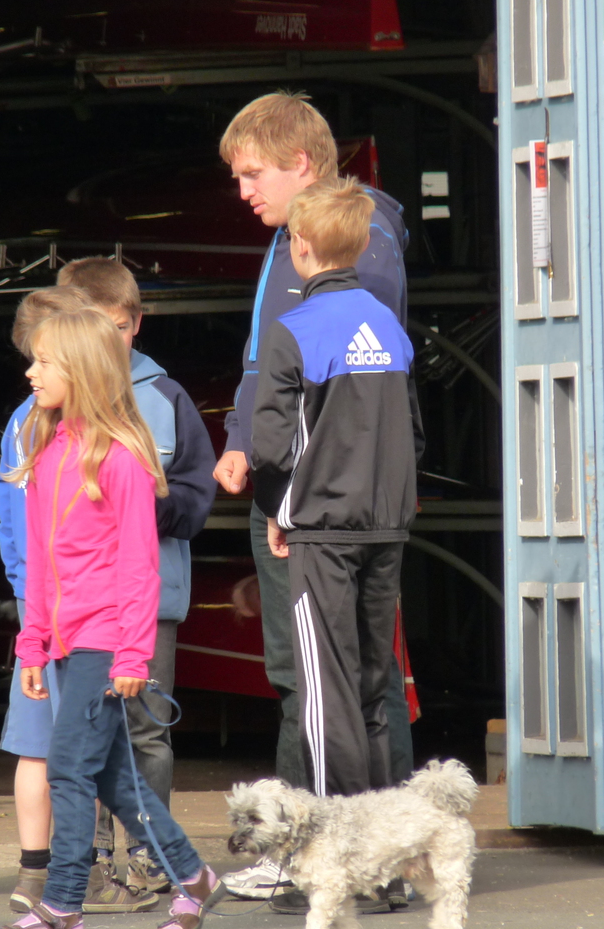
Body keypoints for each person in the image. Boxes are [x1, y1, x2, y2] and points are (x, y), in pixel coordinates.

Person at [210, 91, 412, 909]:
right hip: (344, 502)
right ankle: (363, 854)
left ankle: (334, 854)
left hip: (318, 507)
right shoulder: (293, 242)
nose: (243, 191)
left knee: (338, 679)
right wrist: (237, 437)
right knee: (329, 675)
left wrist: (280, 496)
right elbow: (270, 363)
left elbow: (352, 393)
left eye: (253, 173)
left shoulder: (361, 240)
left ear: (302, 163)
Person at [3, 307, 220, 929]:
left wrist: (132, 653)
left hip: (104, 638)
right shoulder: (45, 450)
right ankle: (196, 877)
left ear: (82, 370)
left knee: (70, 768)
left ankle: (63, 902)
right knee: (115, 778)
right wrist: (32, 643)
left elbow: (139, 565)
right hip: (65, 639)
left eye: (44, 362)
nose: (30, 372)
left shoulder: (121, 459)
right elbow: (40, 559)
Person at [251, 177, 423, 895]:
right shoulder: (389, 327)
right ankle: (386, 871)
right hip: (387, 524)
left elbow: (269, 444)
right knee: (375, 690)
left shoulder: (293, 328)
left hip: (321, 528)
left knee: (326, 699)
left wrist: (275, 508)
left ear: (300, 246)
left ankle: (341, 868)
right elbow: (413, 431)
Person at [55, 258, 217, 901]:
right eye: (96, 328)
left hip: (152, 602)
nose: (111, 341)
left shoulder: (167, 397)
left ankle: (153, 857)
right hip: (79, 607)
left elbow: (197, 498)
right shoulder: (52, 400)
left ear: (138, 323)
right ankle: (90, 859)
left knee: (146, 731)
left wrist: (138, 507)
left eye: (120, 327)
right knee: (83, 734)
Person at [0, 287, 91, 914]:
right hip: (75, 608)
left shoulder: (21, 422)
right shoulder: (74, 426)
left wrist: (24, 587)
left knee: (37, 746)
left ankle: (33, 872)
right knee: (83, 747)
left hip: (37, 601)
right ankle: (85, 869)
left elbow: (11, 521)